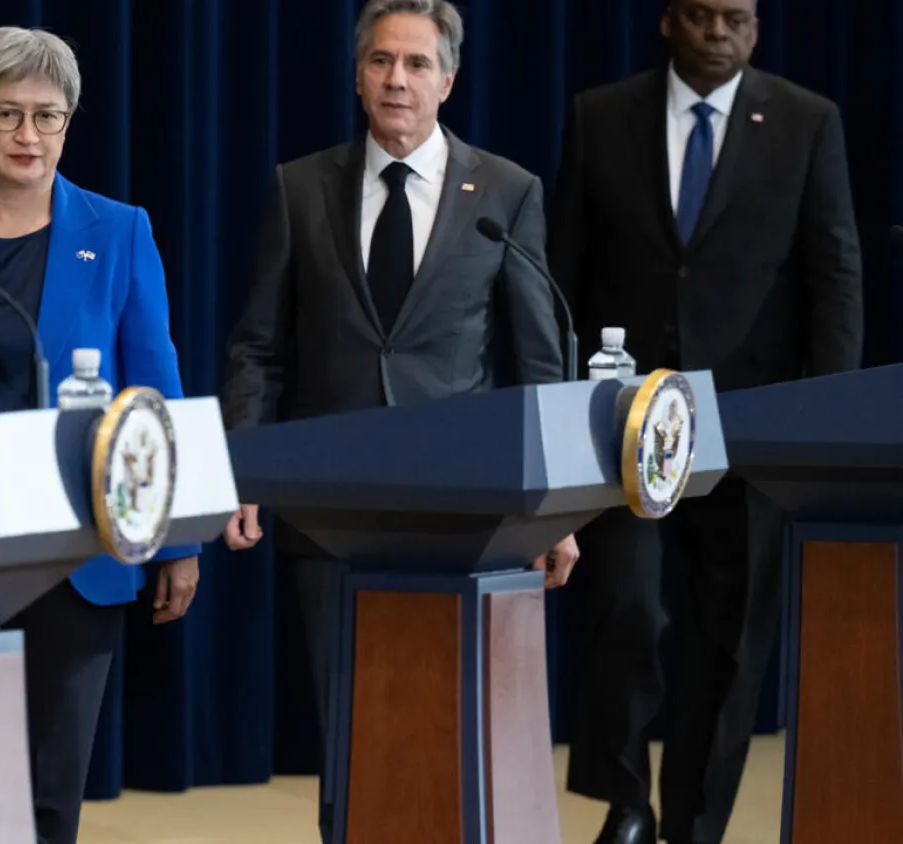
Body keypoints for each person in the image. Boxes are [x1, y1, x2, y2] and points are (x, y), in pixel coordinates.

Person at [220, 0, 578, 839]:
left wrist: (557, 508)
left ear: (448, 80)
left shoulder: (505, 191)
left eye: (417, 64)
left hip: (465, 508)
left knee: (450, 720)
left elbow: (538, 360)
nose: (397, 80)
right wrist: (241, 470)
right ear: (356, 74)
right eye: (381, 61)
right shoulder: (298, 186)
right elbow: (258, 348)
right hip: (329, 509)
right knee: (348, 721)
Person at [547, 1, 863, 842]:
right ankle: (626, 802)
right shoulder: (601, 115)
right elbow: (563, 276)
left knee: (727, 641)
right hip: (621, 430)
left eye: (739, 18)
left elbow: (834, 272)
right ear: (666, 22)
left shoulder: (805, 121)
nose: (720, 32)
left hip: (751, 429)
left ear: (757, 29)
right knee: (626, 613)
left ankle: (694, 821)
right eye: (702, 15)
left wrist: (822, 425)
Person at [0, 26, 202, 844]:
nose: (29, 136)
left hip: (76, 550)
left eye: (49, 116)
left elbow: (154, 389)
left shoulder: (121, 231)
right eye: (8, 113)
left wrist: (175, 541)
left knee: (50, 793)